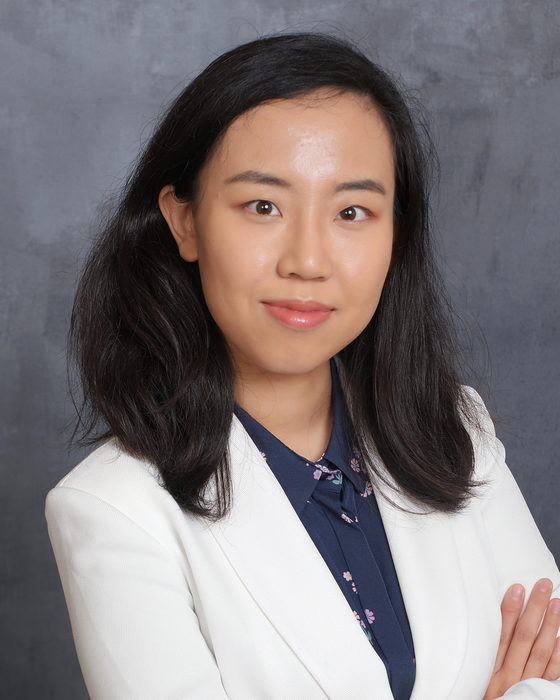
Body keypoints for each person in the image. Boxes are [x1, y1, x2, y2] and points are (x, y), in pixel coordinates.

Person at [46, 33, 560, 700]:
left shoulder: (454, 428)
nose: (308, 260)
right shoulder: (113, 510)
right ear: (184, 222)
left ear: (395, 233)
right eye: (263, 206)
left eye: (352, 211)